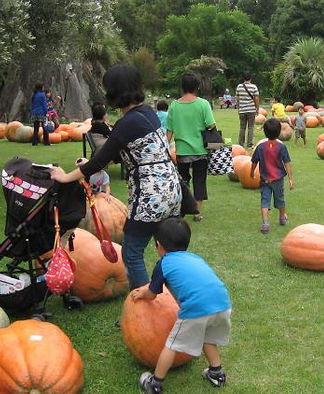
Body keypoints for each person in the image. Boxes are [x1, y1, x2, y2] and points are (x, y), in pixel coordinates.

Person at [50, 64, 182, 290]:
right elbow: (127, 152)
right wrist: (90, 164)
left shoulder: (126, 122)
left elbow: (99, 161)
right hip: (172, 188)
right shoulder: (148, 113)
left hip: (151, 195)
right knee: (169, 251)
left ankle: (146, 308)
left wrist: (64, 177)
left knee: (131, 252)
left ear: (114, 93)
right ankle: (173, 297)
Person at [132, 217, 232, 394]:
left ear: (158, 245)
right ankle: (217, 373)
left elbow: (152, 294)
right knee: (207, 337)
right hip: (222, 303)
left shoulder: (163, 264)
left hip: (197, 310)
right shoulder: (194, 258)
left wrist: (142, 293)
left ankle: (155, 383)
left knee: (172, 345)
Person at [166, 73, 216, 223]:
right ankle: (197, 212)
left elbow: (169, 131)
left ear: (182, 87)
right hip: (200, 150)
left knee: (183, 180)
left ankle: (181, 208)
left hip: (181, 151)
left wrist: (164, 149)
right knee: (199, 181)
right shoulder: (203, 104)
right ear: (197, 86)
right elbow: (211, 125)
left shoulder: (174, 105)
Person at [250, 119, 295, 234]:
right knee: (280, 199)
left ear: (265, 132)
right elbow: (287, 163)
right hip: (278, 179)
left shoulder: (260, 147)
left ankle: (265, 224)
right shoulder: (281, 147)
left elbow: (254, 161)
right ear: (279, 132)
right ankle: (282, 218)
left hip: (265, 180)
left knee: (265, 202)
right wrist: (290, 179)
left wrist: (251, 172)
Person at [236, 71, 260, 148]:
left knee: (242, 127)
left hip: (242, 110)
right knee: (251, 127)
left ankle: (241, 144)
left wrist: (239, 108)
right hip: (251, 110)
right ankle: (249, 144)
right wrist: (257, 108)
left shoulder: (239, 86)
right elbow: (256, 98)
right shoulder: (254, 87)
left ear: (243, 78)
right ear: (251, 78)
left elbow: (238, 99)